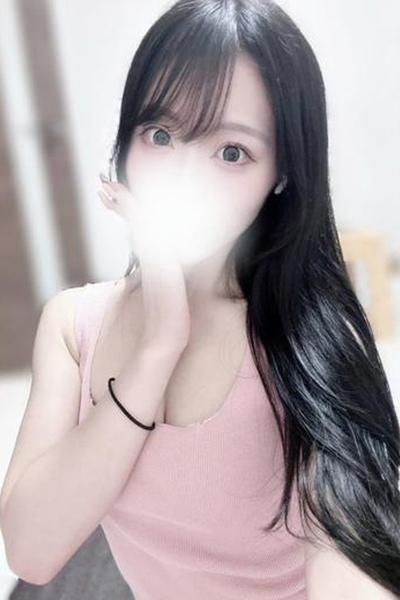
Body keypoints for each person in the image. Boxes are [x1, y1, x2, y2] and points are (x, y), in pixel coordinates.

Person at [1, 1, 399, 598]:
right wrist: (159, 344)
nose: (183, 178)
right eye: (160, 135)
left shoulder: (304, 339)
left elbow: (351, 551)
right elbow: (31, 552)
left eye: (232, 152)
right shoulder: (72, 324)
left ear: (282, 174)